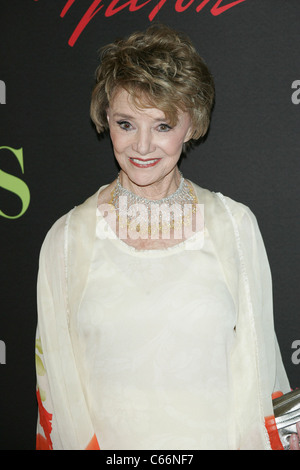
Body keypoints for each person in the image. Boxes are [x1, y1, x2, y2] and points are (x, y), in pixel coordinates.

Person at [35, 24, 300, 450]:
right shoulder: (67, 241)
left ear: (191, 125)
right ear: (107, 119)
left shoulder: (234, 226)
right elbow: (58, 392)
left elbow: (259, 367)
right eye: (126, 123)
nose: (142, 146)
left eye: (162, 125)